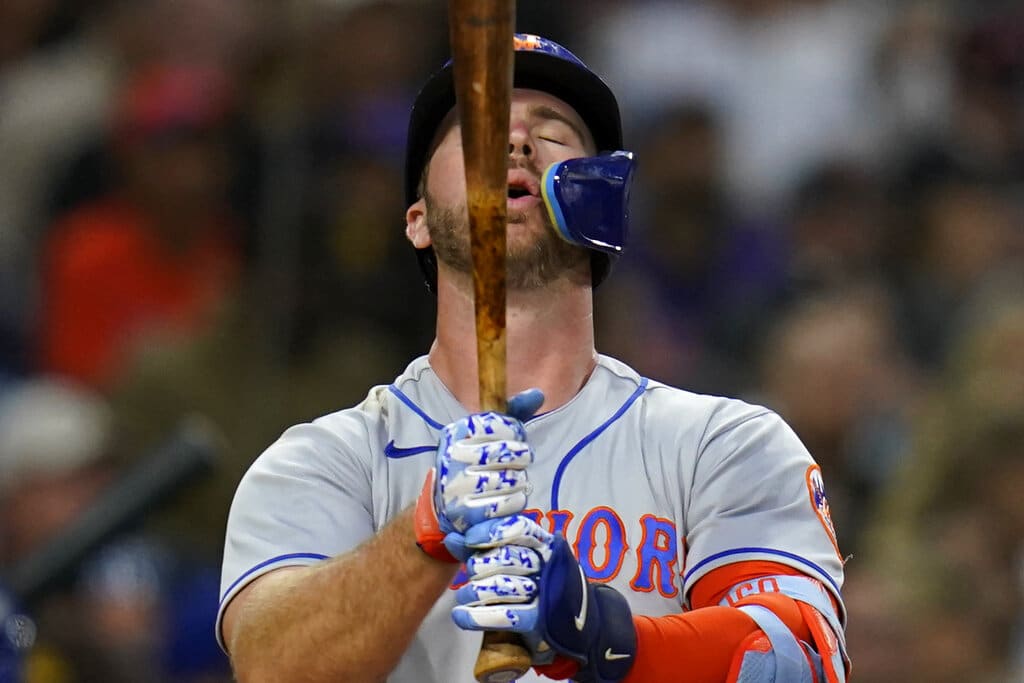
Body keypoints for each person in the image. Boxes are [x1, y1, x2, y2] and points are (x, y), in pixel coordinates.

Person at [217, 34, 850, 683]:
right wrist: (423, 533)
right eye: (480, 136)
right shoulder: (328, 458)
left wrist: (603, 633)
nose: (515, 143)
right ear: (418, 219)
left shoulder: (720, 443)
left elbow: (801, 658)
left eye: (552, 132)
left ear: (600, 200)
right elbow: (271, 666)